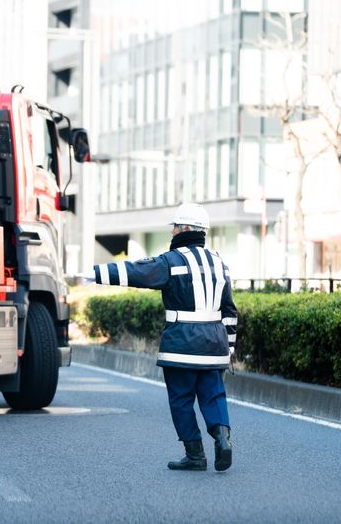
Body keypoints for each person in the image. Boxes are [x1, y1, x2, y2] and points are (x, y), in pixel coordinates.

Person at [87, 202, 236, 471]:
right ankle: (223, 438)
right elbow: (230, 311)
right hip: (215, 345)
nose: (172, 231)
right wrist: (230, 348)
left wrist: (95, 274)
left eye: (176, 226)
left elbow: (137, 272)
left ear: (186, 228)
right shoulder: (220, 263)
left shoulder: (171, 260)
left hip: (181, 344)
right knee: (213, 395)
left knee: (181, 399)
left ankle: (195, 456)